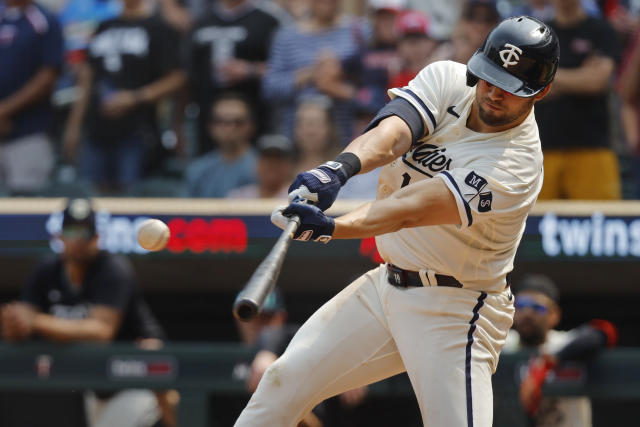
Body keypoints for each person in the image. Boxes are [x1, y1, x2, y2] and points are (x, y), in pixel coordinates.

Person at [235, 16, 559, 426]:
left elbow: (410, 209)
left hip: (456, 310)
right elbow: (393, 133)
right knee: (281, 381)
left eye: (511, 88)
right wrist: (338, 169)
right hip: (386, 287)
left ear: (540, 92)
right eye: (490, 77)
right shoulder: (449, 78)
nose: (494, 92)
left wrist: (333, 227)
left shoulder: (517, 164)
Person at [0, 198, 176, 427]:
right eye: (72, 232)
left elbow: (100, 331)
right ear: (60, 236)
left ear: (97, 237)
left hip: (134, 377)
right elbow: (22, 323)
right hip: (95, 385)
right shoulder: (47, 270)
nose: (79, 241)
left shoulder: (112, 269)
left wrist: (35, 320)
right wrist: (16, 322)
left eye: (86, 233)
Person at [63, 0, 186, 194]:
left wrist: (135, 97)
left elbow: (177, 78)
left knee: (131, 199)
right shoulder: (104, 26)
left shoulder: (158, 27)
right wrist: (74, 126)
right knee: (87, 201)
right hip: (96, 130)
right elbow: (87, 79)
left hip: (137, 131)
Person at [534, 0, 622, 200]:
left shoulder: (601, 30)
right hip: (542, 149)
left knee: (598, 222)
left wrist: (546, 75)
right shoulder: (536, 34)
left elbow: (598, 82)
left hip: (592, 147)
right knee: (535, 226)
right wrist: (581, 75)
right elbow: (527, 88)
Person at [502, 274, 617, 426]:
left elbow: (603, 331)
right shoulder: (504, 344)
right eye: (521, 306)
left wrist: (549, 362)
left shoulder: (564, 343)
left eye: (538, 307)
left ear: (554, 315)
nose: (528, 313)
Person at [262, 0, 368, 145]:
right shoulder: (286, 37)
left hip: (347, 137)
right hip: (295, 139)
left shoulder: (360, 30)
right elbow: (269, 88)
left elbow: (373, 84)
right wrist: (309, 74)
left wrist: (340, 75)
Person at [188, 0, 280, 152]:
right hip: (208, 116)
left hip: (253, 114)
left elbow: (284, 70)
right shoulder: (201, 21)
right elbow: (188, 72)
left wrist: (250, 69)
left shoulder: (268, 21)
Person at [0, 0, 63, 195]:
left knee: (26, 200)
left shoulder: (44, 20)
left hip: (28, 131)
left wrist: (3, 110)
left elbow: (47, 78)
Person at [184, 92, 257, 198]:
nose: (229, 128)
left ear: (251, 126)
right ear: (210, 126)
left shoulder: (265, 168)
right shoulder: (197, 169)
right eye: (220, 121)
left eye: (238, 122)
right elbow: (184, 210)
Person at [227, 134, 294, 199]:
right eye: (268, 160)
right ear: (257, 164)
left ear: (288, 165)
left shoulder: (297, 199)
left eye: (278, 160)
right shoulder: (238, 197)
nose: (273, 165)